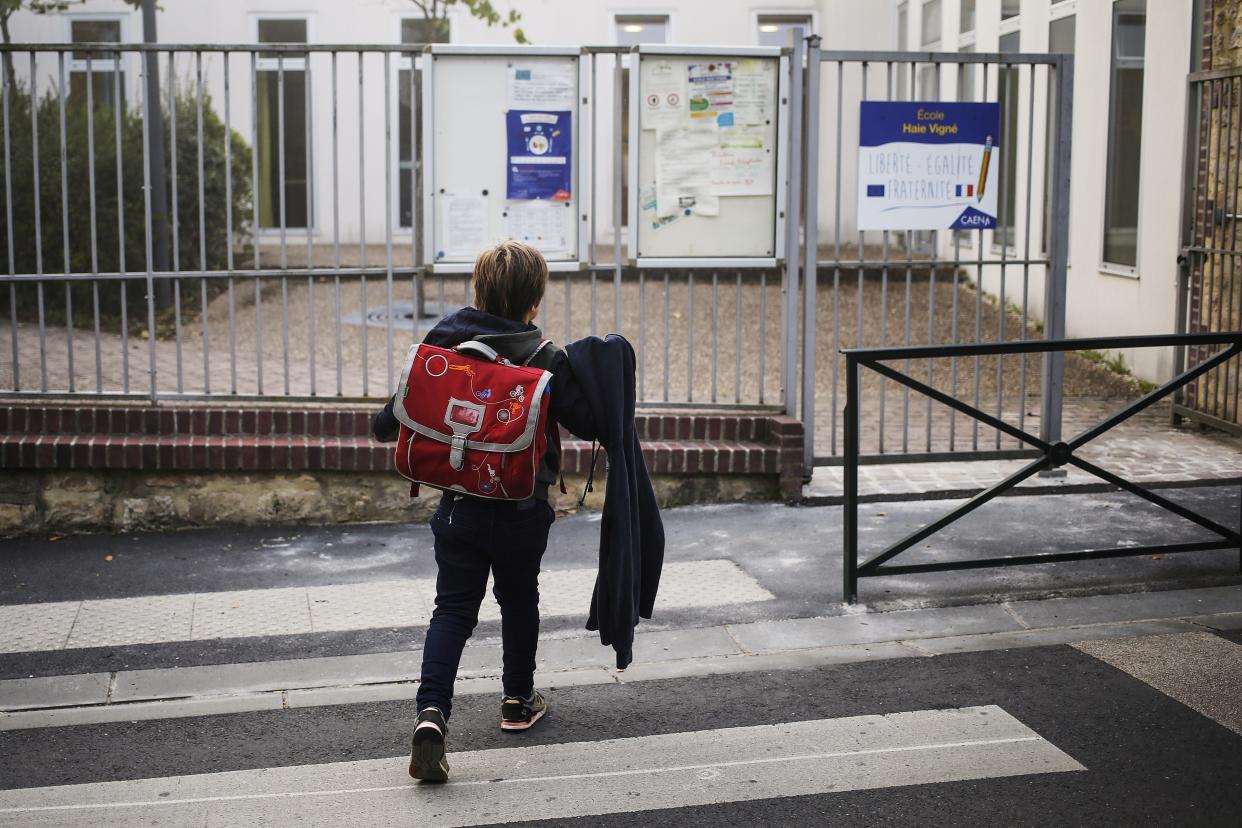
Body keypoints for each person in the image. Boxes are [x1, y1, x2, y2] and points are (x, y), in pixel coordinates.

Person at [372, 240, 561, 783]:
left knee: (453, 610)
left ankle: (431, 714)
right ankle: (517, 702)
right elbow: (582, 418)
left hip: (459, 510)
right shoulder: (545, 355)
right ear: (535, 300)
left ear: (478, 290)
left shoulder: (446, 342)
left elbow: (391, 420)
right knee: (520, 599)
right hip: (524, 509)